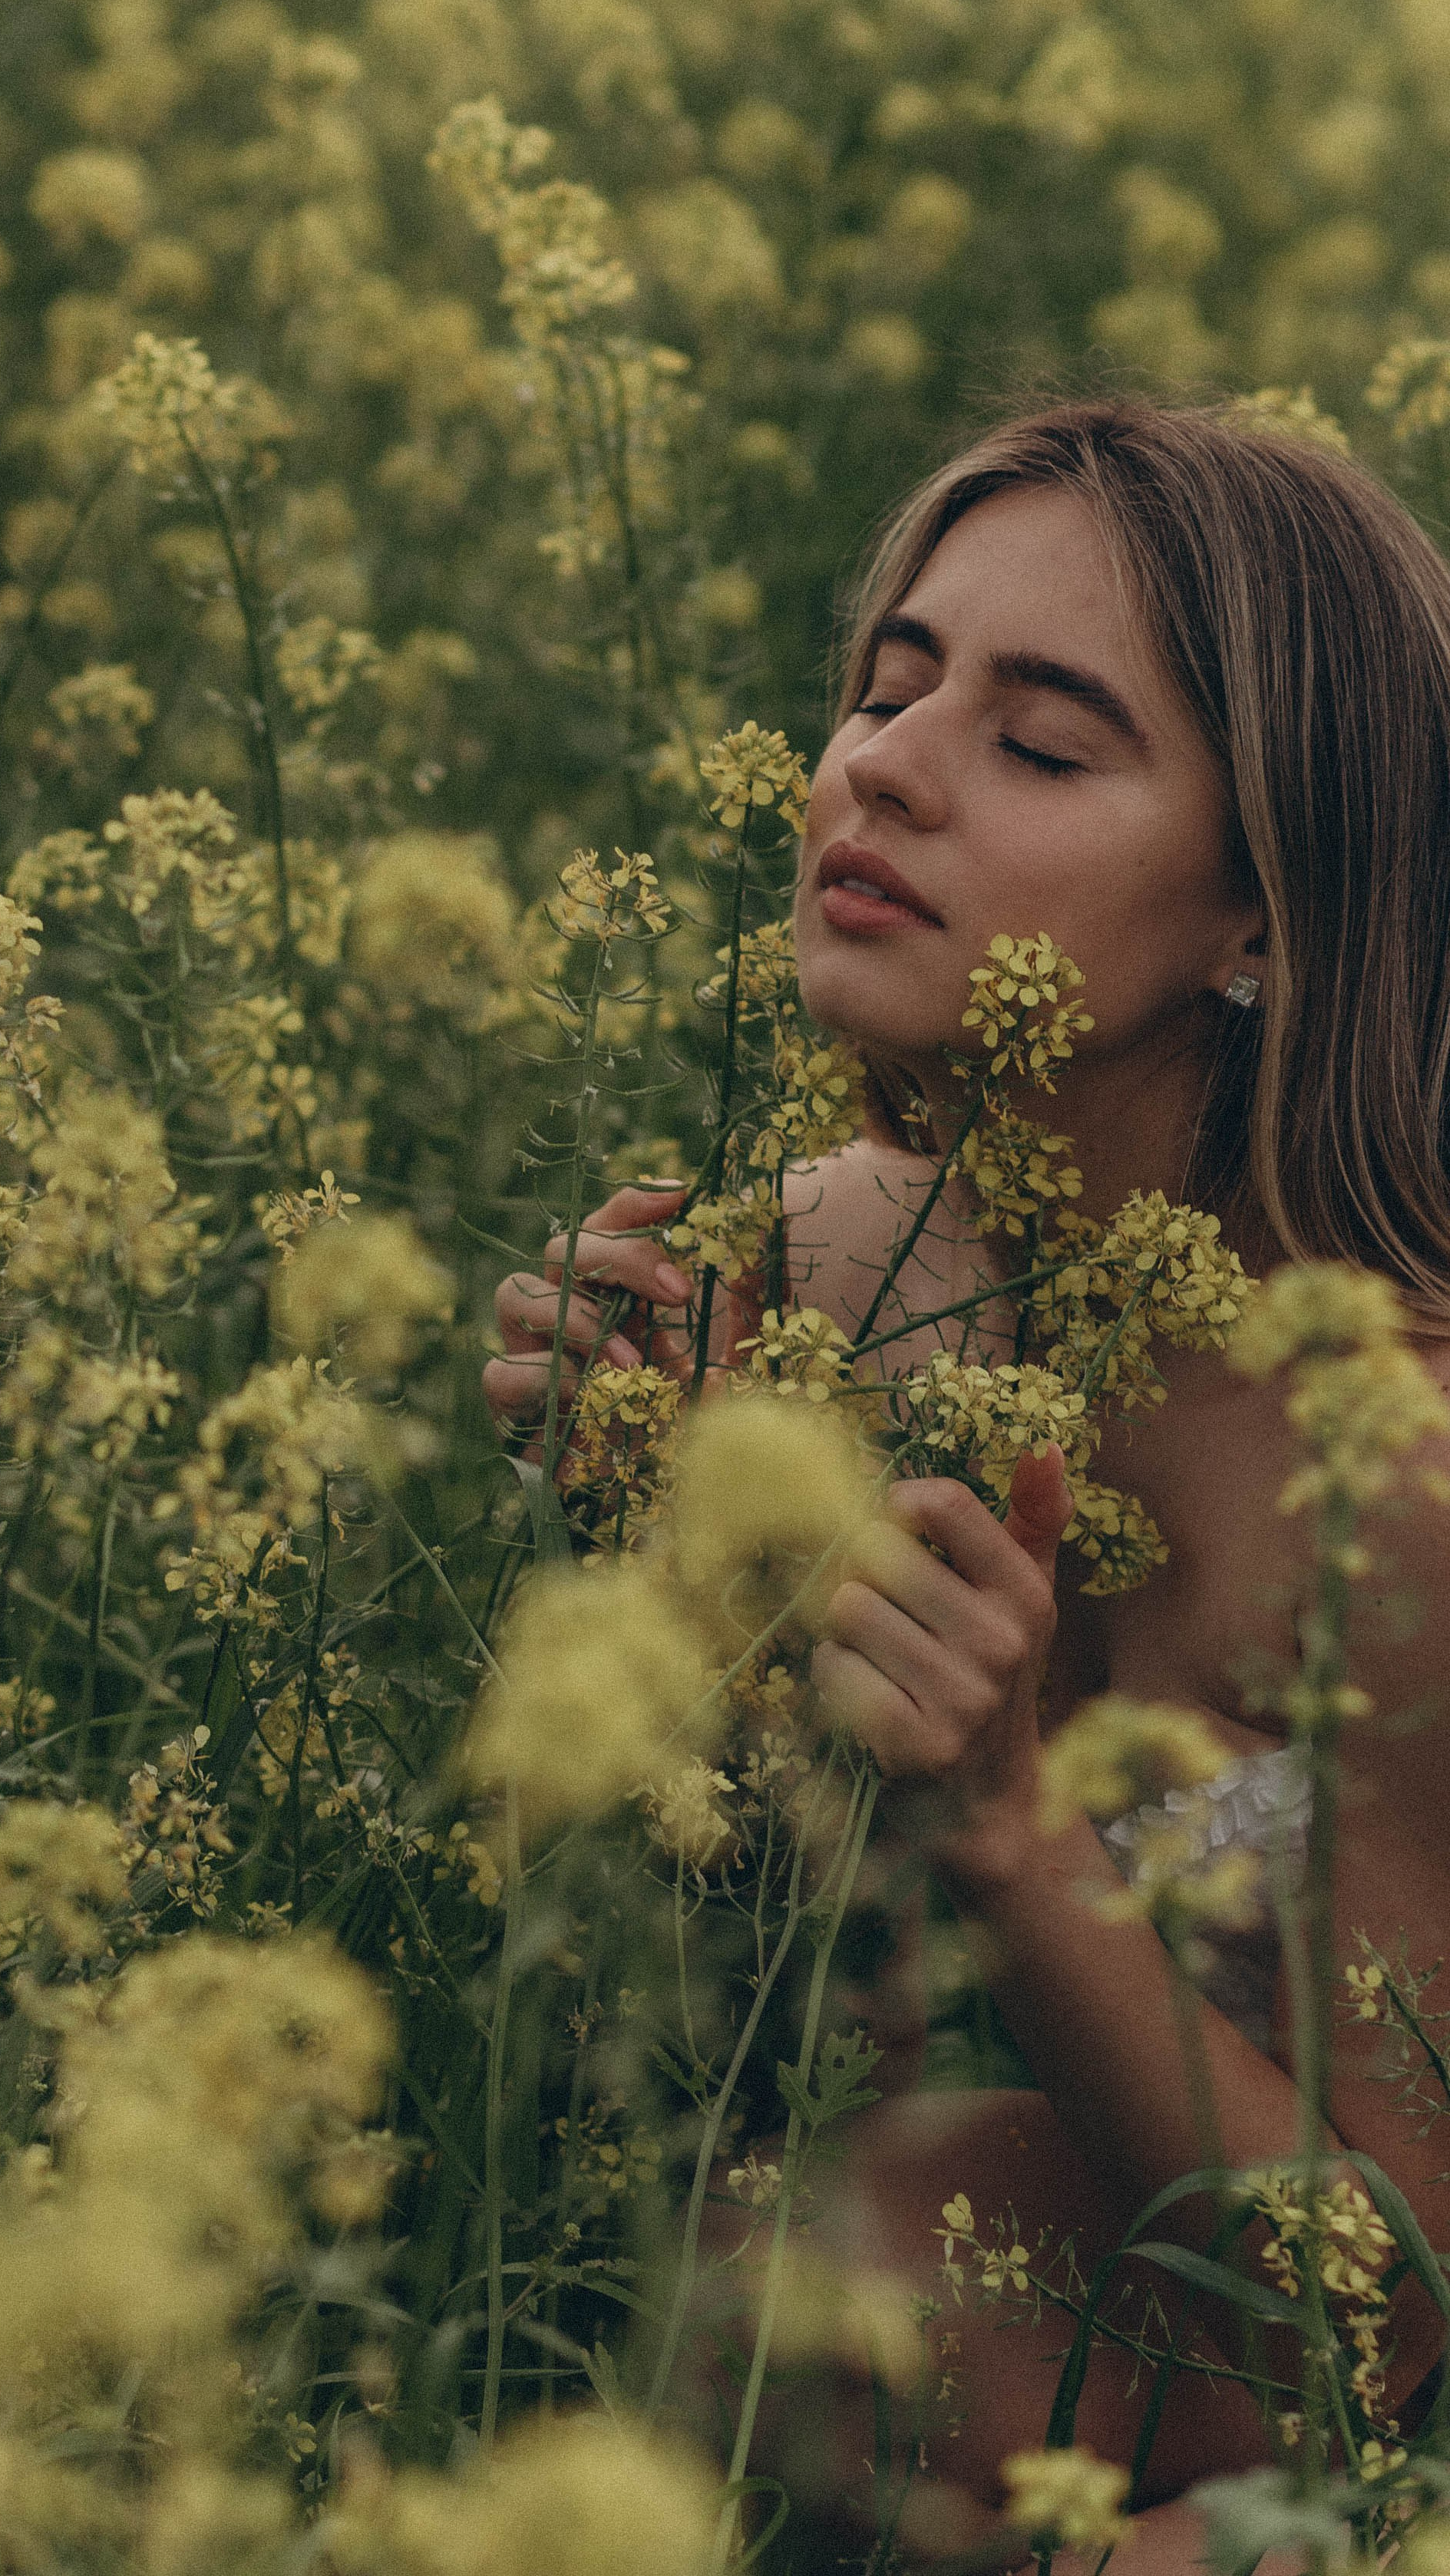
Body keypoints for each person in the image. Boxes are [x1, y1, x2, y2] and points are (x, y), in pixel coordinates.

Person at [481, 398, 1450, 2567]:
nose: (884, 766)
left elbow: (1371, 2324)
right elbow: (748, 1986)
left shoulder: (1397, 1497)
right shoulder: (841, 1262)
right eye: (892, 687)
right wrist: (642, 1522)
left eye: (1044, 741)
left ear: (1268, 921)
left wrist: (1013, 1834)